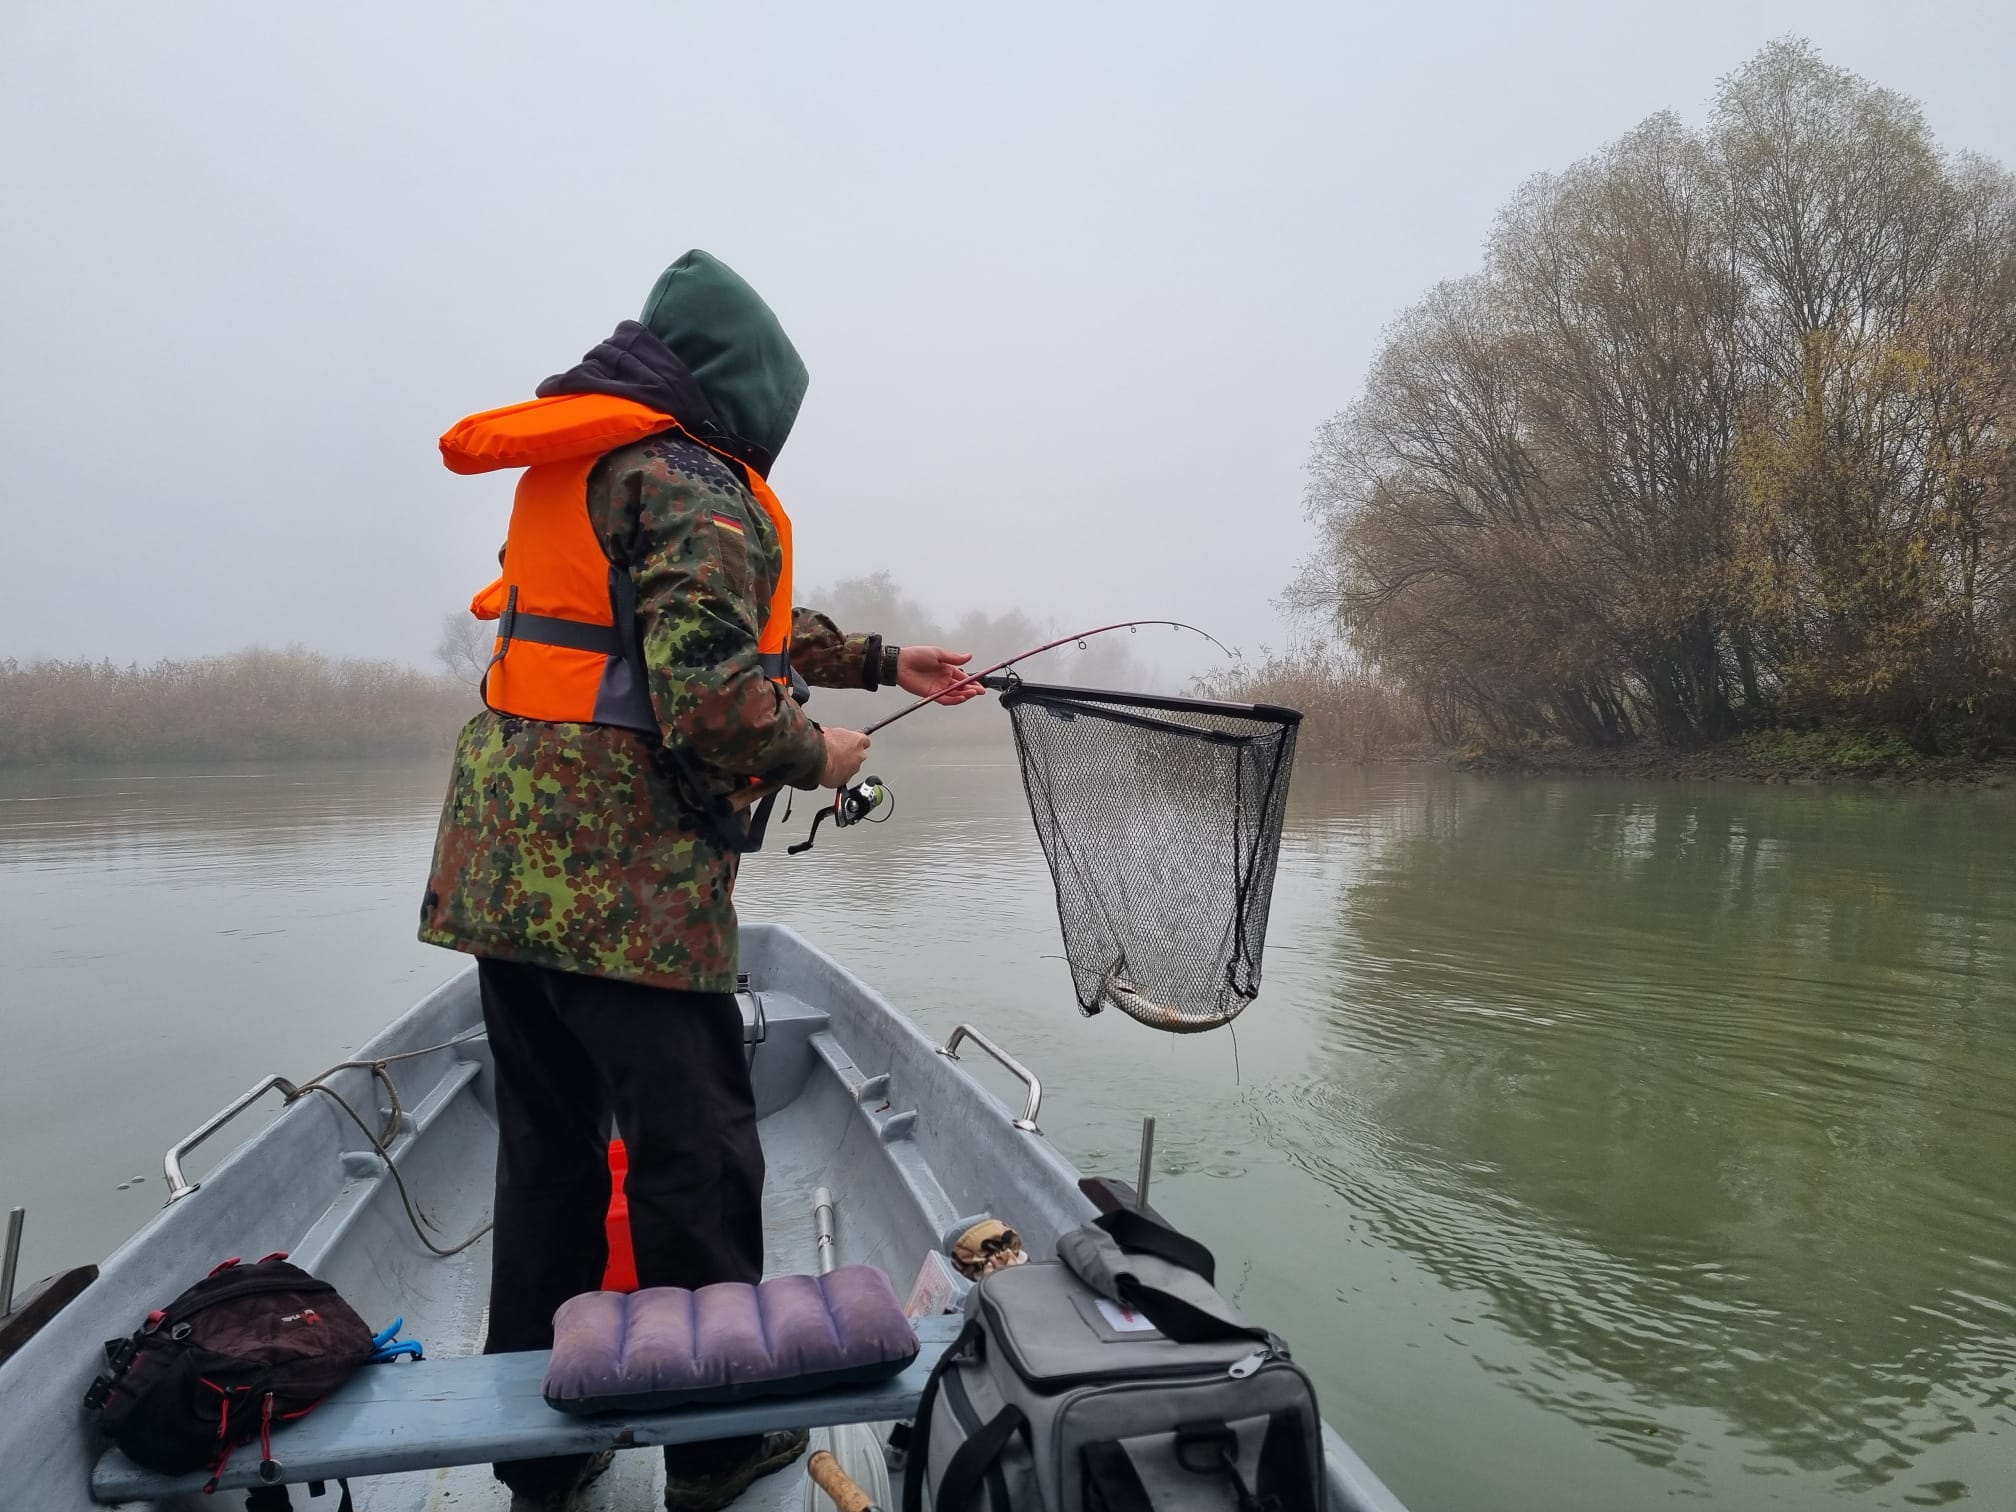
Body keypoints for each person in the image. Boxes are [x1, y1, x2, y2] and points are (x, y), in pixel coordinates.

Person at [419, 250, 979, 1511]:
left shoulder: (594, 463)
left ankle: (539, 1457)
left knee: (548, 1153)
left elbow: (694, 628)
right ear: (745, 389)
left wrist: (887, 660)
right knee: (699, 1158)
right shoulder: (695, 484)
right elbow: (718, 700)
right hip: (623, 897)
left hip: (504, 882)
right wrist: (820, 751)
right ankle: (722, 1449)